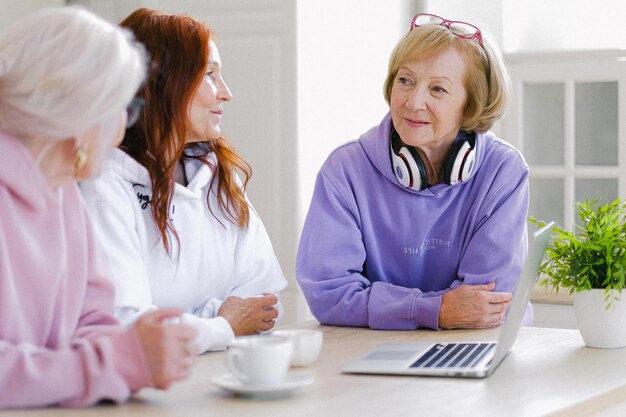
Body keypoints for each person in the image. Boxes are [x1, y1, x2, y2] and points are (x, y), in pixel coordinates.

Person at [0, 7, 197, 409]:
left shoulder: (63, 191)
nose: (124, 129)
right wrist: (116, 362)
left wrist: (133, 346)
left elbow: (92, 322)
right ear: (79, 112)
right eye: (125, 109)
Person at [296, 14, 529, 330]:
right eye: (405, 81)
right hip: (376, 351)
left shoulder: (503, 171)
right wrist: (434, 310)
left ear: (471, 104)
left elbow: (486, 306)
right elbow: (330, 294)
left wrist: (384, 307)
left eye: (437, 89)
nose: (413, 101)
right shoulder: (345, 170)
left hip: (477, 348)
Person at [80, 8, 287, 353]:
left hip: (221, 379)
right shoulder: (102, 187)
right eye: (210, 75)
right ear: (162, 84)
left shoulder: (221, 179)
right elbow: (128, 328)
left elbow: (265, 303)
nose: (226, 93)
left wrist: (199, 327)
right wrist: (223, 325)